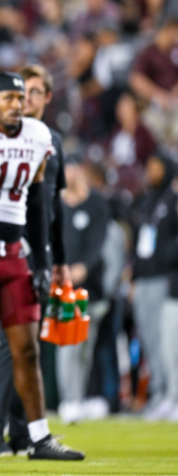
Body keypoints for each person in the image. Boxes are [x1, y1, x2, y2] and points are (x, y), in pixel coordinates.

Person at [0, 72, 83, 460]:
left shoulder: (39, 135)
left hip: (14, 253)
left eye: (21, 97)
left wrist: (45, 260)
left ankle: (39, 437)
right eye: (9, 97)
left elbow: (38, 201)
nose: (18, 104)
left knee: (27, 349)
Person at [55, 155, 112, 423]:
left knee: (85, 348)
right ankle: (69, 400)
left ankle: (79, 397)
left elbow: (99, 242)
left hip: (91, 288)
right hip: (63, 287)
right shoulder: (57, 204)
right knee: (67, 344)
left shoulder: (97, 204)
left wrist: (85, 267)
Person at [131, 152, 178, 418]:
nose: (150, 171)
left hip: (163, 277)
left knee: (164, 339)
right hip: (144, 278)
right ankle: (159, 392)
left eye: (155, 166)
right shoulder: (147, 200)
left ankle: (171, 393)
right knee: (148, 338)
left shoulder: (172, 201)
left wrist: (166, 259)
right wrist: (134, 275)